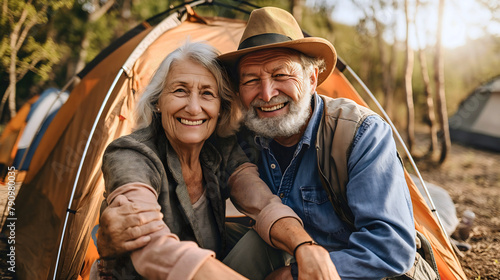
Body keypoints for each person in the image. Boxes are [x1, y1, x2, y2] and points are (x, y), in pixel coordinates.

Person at [94, 41, 336, 279]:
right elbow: (150, 245)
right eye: (180, 90)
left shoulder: (219, 148)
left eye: (207, 94)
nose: (193, 107)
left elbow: (263, 204)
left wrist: (305, 246)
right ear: (158, 101)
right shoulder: (132, 152)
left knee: (269, 239)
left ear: (221, 106)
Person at [216, 6, 417, 280]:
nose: (266, 93)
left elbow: (391, 247)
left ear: (312, 79)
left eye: (281, 75)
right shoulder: (244, 133)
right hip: (284, 247)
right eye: (251, 80)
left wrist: (295, 275)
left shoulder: (360, 133)